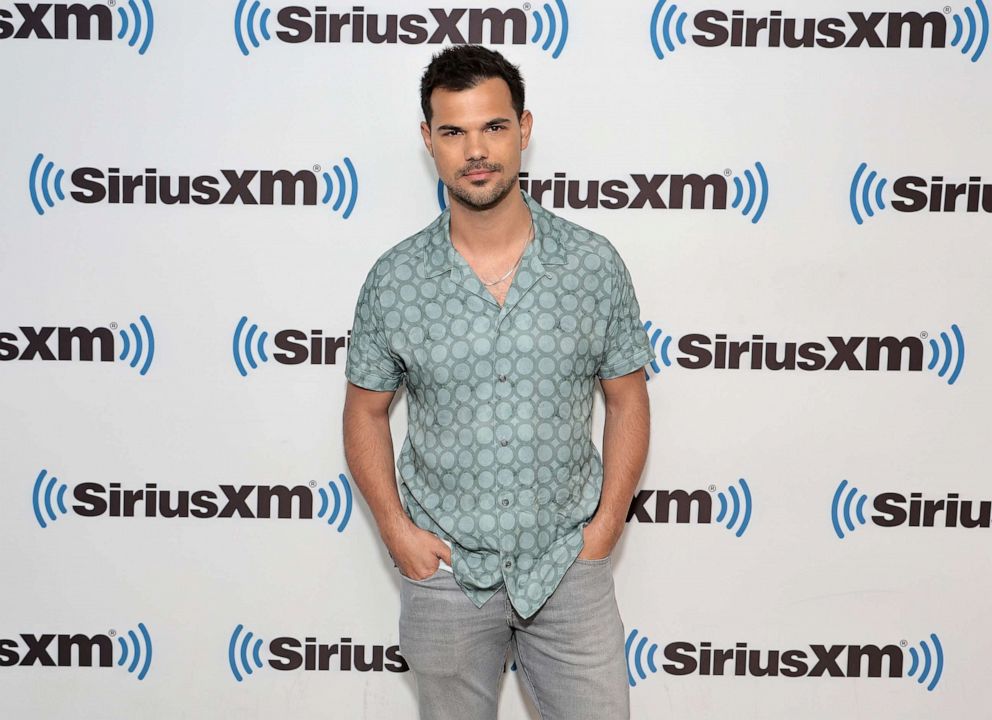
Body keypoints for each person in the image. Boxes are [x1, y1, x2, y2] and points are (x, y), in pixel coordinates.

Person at [342, 44, 652, 720]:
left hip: (569, 564)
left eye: (493, 127)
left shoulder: (592, 265)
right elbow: (364, 413)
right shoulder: (394, 280)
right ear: (429, 141)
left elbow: (628, 399)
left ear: (524, 129)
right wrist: (397, 532)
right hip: (447, 574)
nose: (475, 150)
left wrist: (603, 529)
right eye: (453, 131)